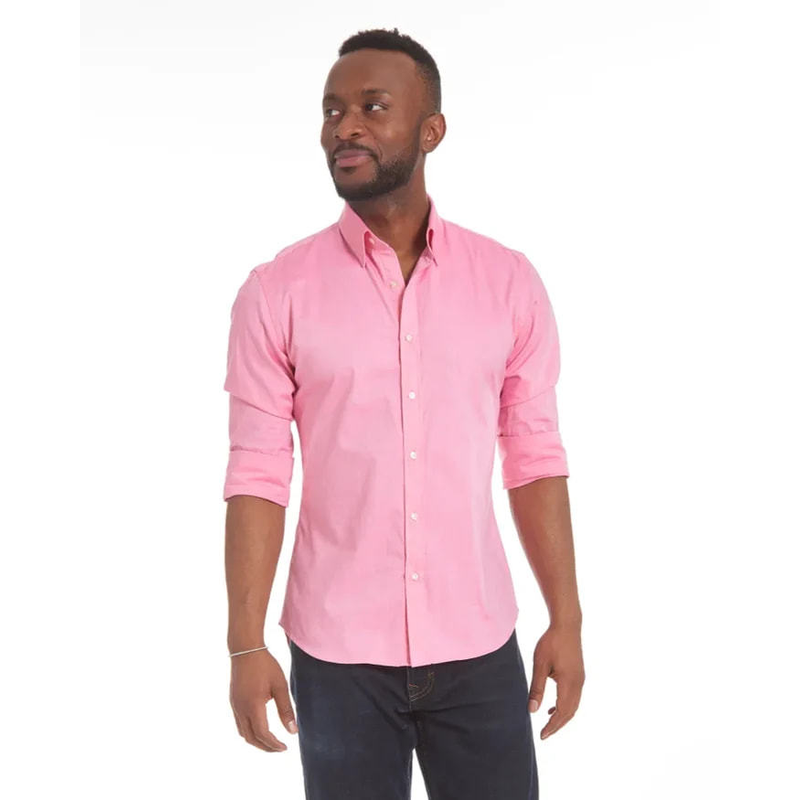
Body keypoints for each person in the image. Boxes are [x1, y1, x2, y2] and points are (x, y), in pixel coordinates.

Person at [222, 26, 584, 800]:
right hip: (337, 656)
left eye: (373, 107)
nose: (344, 127)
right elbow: (257, 472)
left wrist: (567, 618)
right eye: (332, 110)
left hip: (478, 643)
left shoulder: (508, 283)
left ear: (431, 131)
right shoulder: (276, 292)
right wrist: (244, 645)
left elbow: (534, 456)